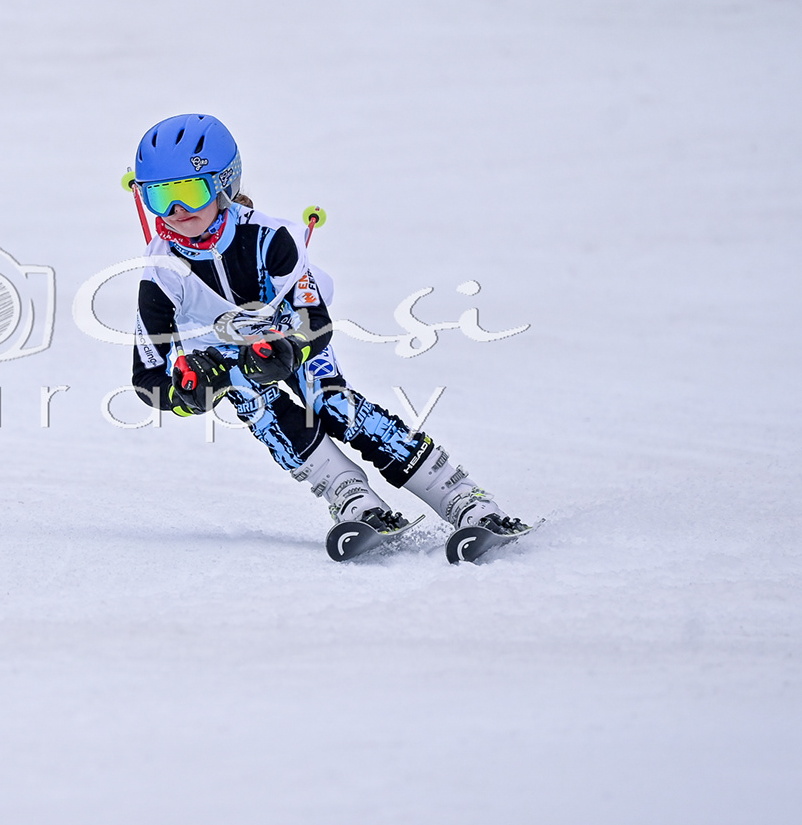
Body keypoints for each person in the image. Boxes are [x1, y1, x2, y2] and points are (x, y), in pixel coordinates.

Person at [127, 113, 528, 562]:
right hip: (222, 355)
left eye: (188, 192)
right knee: (255, 404)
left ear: (223, 185)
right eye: (159, 196)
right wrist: (188, 395)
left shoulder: (269, 238)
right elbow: (147, 378)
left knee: (329, 400)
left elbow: (314, 322)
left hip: (288, 335)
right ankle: (350, 495)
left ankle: (461, 497)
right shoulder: (160, 272)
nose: (176, 212)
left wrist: (286, 349)